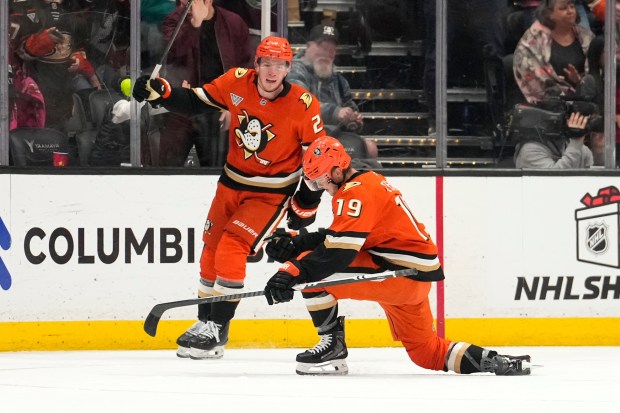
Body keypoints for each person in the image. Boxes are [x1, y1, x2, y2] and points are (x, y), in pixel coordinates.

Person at [262, 136, 531, 376]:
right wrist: (296, 243)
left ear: (337, 168)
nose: (320, 184)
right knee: (426, 352)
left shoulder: (354, 193)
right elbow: (341, 235)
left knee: (309, 274)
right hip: (409, 276)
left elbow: (337, 254)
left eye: (320, 177)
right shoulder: (366, 182)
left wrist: (292, 270)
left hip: (398, 274)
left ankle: (332, 345)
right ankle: (493, 361)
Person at [133, 36, 327, 359]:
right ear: (257, 64)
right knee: (210, 250)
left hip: (270, 193)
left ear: (288, 69)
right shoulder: (236, 81)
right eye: (266, 63)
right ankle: (204, 322)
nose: (272, 71)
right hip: (231, 184)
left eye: (280, 65)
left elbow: (317, 160)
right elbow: (196, 100)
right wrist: (162, 92)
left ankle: (218, 327)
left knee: (231, 246)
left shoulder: (304, 105)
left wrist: (304, 208)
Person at [157, 0, 252, 167]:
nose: (184, 2)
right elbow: (171, 55)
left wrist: (233, 103)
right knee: (167, 167)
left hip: (217, 109)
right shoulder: (174, 20)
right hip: (181, 107)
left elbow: (246, 70)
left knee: (218, 170)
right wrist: (195, 24)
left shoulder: (233, 23)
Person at [287, 24, 380, 166]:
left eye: (331, 50)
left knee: (369, 148)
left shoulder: (339, 81)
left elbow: (350, 108)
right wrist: (336, 112)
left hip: (332, 137)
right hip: (300, 137)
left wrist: (353, 119)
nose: (327, 53)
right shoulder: (295, 71)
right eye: (322, 47)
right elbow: (300, 104)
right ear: (308, 46)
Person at [513, 0, 595, 105]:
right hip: (548, 107)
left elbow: (598, 75)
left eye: (572, 7)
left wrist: (579, 82)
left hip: (586, 103)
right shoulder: (532, 41)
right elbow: (533, 80)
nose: (570, 11)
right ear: (549, 14)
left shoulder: (587, 36)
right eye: (563, 8)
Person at [514, 111, 594, 167]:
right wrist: (576, 140)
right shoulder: (530, 151)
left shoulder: (581, 149)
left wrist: (599, 146)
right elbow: (556, 180)